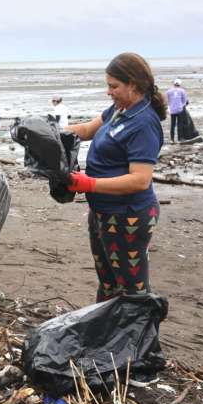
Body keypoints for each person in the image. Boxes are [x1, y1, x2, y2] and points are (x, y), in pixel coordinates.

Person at [64, 52, 165, 303]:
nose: (109, 92)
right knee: (108, 285)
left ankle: (138, 340)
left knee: (132, 292)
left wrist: (88, 183)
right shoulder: (120, 109)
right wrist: (48, 130)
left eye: (114, 86)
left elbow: (140, 179)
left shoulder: (144, 123)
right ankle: (107, 337)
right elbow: (87, 130)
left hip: (128, 216)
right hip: (102, 212)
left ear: (133, 84)